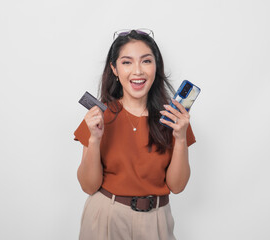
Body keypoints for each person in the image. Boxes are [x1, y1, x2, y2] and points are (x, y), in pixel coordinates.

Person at [74, 29, 196, 240]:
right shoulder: (99, 116)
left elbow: (177, 186)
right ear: (114, 68)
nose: (137, 71)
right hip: (106, 217)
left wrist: (181, 138)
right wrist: (94, 139)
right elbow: (88, 185)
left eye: (146, 61)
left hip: (156, 221)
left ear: (156, 67)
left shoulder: (174, 118)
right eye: (127, 62)